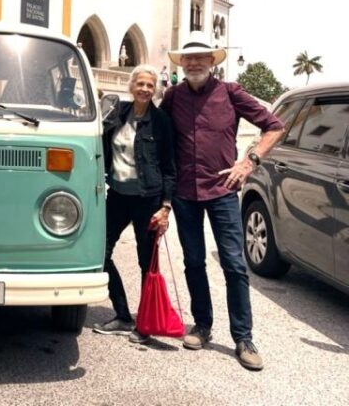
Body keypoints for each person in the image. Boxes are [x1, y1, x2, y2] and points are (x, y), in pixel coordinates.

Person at [160, 32, 284, 370]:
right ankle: (202, 325)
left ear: (212, 61)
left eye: (200, 58)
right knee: (193, 261)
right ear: (181, 64)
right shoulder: (173, 96)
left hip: (223, 191)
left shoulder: (230, 92)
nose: (194, 63)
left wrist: (249, 162)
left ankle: (243, 337)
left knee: (234, 264)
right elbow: (157, 133)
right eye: (188, 59)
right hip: (185, 192)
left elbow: (274, 127)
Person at [93, 65, 176, 344]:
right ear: (131, 86)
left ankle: (145, 323)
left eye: (150, 85)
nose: (144, 89)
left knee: (147, 262)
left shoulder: (161, 121)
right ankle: (122, 315)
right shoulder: (118, 113)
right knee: (100, 252)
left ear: (155, 90)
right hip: (117, 195)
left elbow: (169, 168)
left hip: (148, 198)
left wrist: (165, 207)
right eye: (140, 84)